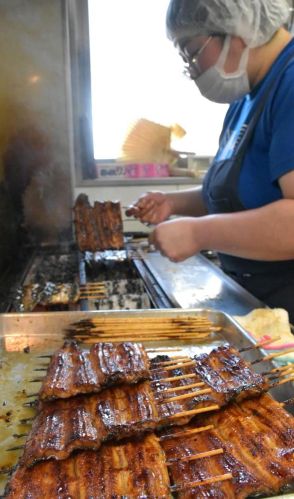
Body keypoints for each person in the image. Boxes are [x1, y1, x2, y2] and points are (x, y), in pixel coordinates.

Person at [126, 0, 294, 322]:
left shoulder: (290, 82)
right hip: (258, 302)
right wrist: (173, 204)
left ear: (236, 31)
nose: (191, 69)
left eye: (191, 52)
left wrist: (198, 233)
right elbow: (241, 193)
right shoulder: (247, 95)